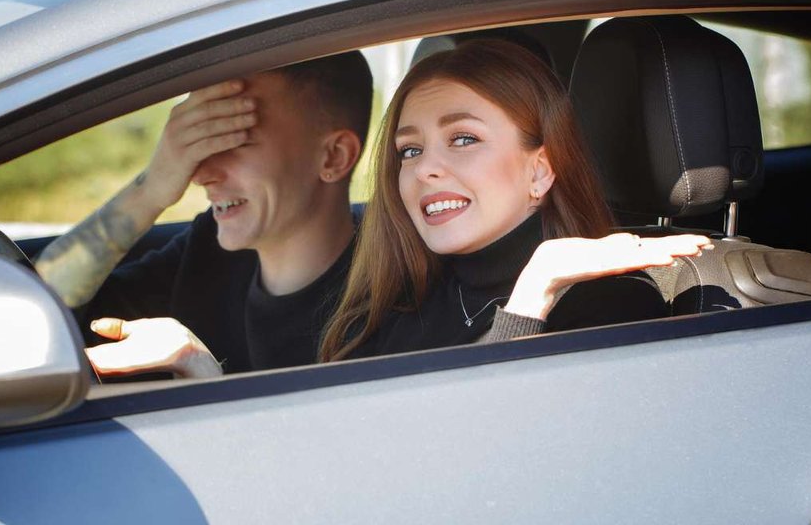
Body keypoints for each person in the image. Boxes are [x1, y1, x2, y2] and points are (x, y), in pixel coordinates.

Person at [320, 39, 710, 362]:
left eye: (463, 139)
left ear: (539, 171)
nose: (424, 169)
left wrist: (531, 298)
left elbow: (488, 446)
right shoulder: (393, 310)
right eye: (409, 150)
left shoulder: (612, 309)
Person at [35, 51, 373, 378]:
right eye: (202, 142)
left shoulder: (386, 302)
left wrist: (203, 376)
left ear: (333, 157)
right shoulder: (205, 253)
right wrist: (150, 190)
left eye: (234, 141)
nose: (200, 174)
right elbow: (33, 317)